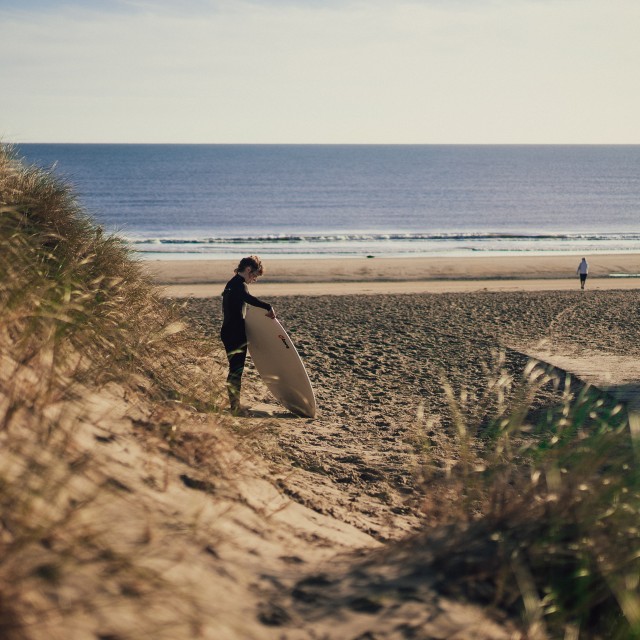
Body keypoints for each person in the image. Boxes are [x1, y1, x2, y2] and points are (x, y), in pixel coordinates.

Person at [220, 256, 275, 414]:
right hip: (235, 333)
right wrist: (268, 307)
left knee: (235, 369)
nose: (254, 279)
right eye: (255, 275)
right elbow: (248, 299)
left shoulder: (231, 284)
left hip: (228, 331)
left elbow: (232, 307)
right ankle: (235, 407)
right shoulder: (240, 285)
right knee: (236, 370)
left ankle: (234, 405)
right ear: (249, 269)